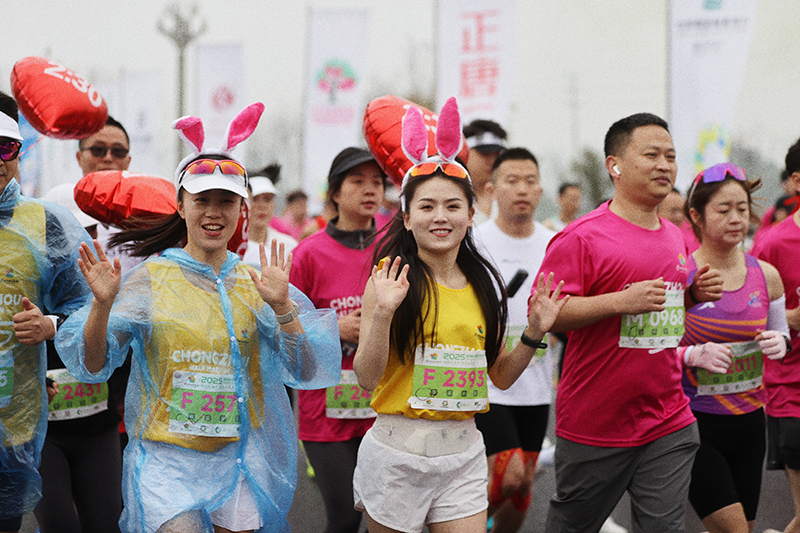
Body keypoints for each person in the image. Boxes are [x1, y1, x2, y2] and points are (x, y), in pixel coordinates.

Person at [55, 104, 340, 533]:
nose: (214, 212)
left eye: (226, 201)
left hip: (240, 462)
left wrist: (283, 309)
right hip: (168, 465)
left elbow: (307, 369)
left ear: (241, 209)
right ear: (180, 204)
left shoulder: (257, 283)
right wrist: (100, 306)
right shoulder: (149, 280)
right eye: (202, 200)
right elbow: (92, 363)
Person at [352, 98, 566, 533]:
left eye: (452, 206)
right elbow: (368, 378)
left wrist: (536, 333)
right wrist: (382, 316)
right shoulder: (389, 279)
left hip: (464, 453)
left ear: (470, 214)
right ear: (407, 218)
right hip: (398, 455)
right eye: (426, 207)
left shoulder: (485, 285)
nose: (440, 217)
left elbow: (500, 376)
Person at [537, 112, 724, 532]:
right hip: (596, 424)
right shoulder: (581, 236)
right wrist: (620, 301)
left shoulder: (674, 234)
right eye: (651, 155)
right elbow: (548, 315)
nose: (664, 165)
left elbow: (660, 312)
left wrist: (693, 295)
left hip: (667, 416)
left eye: (671, 156)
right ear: (614, 165)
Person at [0, 91, 93, 533]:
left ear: (18, 153)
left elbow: (90, 305)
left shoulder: (47, 223)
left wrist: (50, 325)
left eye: (5, 148)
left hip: (13, 427)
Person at [678, 162, 788, 533]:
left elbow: (781, 334)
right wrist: (692, 355)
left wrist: (780, 341)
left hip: (750, 421)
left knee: (744, 528)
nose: (736, 218)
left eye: (742, 208)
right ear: (697, 216)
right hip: (693, 421)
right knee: (734, 530)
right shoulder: (682, 275)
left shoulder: (766, 275)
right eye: (723, 210)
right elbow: (655, 349)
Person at [289, 147, 386, 533]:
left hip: (383, 404)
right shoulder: (308, 253)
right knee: (345, 518)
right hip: (326, 410)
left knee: (384, 517)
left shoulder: (394, 248)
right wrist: (335, 328)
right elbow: (285, 327)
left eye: (376, 182)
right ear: (334, 192)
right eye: (357, 181)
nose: (369, 190)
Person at [471, 147, 556, 533]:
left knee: (521, 490)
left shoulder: (556, 243)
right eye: (511, 180)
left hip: (535, 385)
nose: (522, 189)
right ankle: (447, 520)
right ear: (491, 189)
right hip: (489, 381)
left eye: (530, 180)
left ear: (540, 191)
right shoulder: (474, 240)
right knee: (510, 477)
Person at [34, 183, 125, 533]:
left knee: (105, 525)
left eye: (89, 231)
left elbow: (124, 352)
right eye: (68, 233)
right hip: (44, 436)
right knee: (60, 526)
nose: (81, 243)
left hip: (98, 431)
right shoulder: (23, 283)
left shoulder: (110, 284)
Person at [751, 136, 800, 533]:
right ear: (797, 180)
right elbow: (752, 315)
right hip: (791, 388)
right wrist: (794, 317)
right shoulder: (773, 242)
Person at [242, 164, 297, 268]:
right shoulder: (230, 246)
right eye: (254, 199)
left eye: (267, 199)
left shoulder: (288, 246)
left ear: (274, 204)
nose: (261, 206)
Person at [463, 119, 507, 225]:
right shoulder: (451, 196)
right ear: (464, 152)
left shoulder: (505, 196)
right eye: (485, 154)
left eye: (497, 155)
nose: (492, 161)